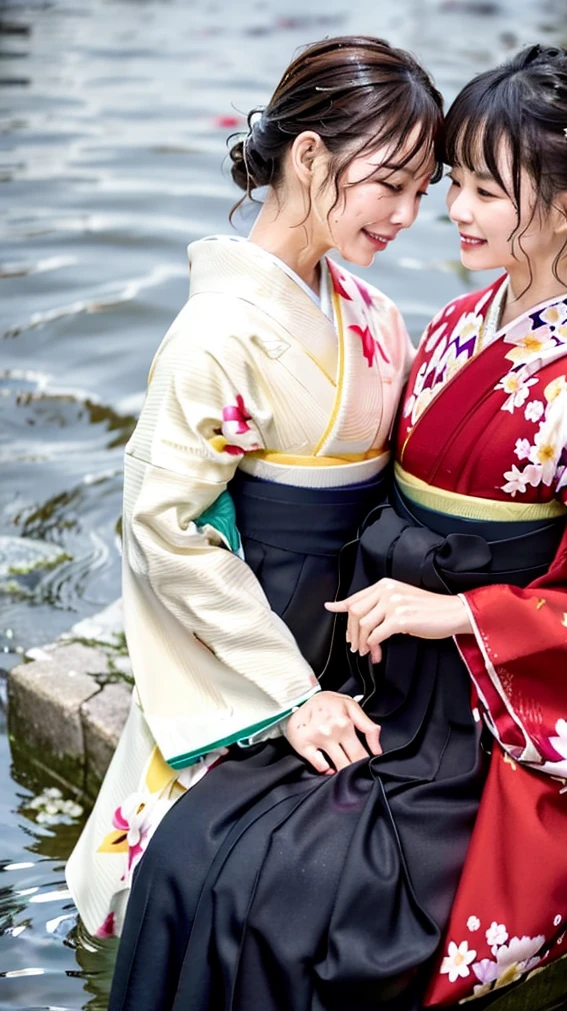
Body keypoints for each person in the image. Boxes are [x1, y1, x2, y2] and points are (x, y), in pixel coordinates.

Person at [104, 44, 567, 1011]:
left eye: (480, 189)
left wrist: (458, 610)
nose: (452, 213)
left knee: (304, 906)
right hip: (380, 661)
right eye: (450, 181)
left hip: (487, 703)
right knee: (197, 846)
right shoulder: (462, 322)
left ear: (565, 206)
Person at [65, 34, 442, 945]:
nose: (407, 214)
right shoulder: (212, 337)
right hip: (257, 635)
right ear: (310, 156)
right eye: (390, 183)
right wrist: (288, 692)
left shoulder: (375, 315)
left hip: (359, 623)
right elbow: (167, 528)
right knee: (181, 888)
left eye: (423, 193)